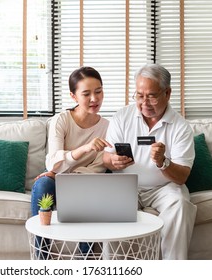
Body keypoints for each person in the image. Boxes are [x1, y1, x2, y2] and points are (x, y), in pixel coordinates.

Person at [103, 63, 197, 260]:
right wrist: (113, 161)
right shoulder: (122, 117)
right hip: (125, 184)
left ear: (167, 93)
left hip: (164, 188)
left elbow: (182, 177)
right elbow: (105, 157)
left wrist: (164, 162)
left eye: (151, 96)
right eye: (139, 95)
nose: (144, 102)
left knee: (180, 203)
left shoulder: (181, 126)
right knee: (111, 207)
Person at [30, 66, 112, 259]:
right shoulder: (61, 120)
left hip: (86, 181)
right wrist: (84, 148)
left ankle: (87, 259)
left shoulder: (108, 127)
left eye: (98, 92)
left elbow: (99, 167)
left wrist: (66, 175)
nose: (94, 99)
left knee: (91, 187)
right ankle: (42, 256)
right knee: (43, 183)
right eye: (86, 94)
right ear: (73, 96)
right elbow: (53, 162)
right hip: (57, 180)